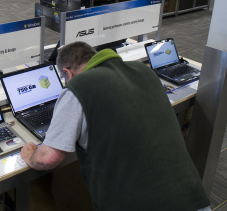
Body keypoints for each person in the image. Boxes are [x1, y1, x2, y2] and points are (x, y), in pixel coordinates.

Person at [21, 41, 211, 211]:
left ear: (67, 73)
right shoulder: (144, 71)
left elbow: (49, 158)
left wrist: (31, 156)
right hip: (191, 197)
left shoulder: (78, 87)